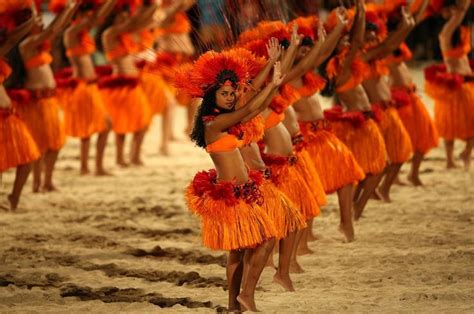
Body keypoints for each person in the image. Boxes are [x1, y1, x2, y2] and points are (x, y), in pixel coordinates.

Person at [179, 48, 284, 312]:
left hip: (243, 192)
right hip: (232, 197)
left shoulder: (223, 119)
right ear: (212, 97)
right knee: (267, 239)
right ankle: (246, 296)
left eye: (230, 93)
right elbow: (251, 107)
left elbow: (247, 98)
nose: (229, 97)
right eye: (223, 94)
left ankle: (234, 305)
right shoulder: (213, 124)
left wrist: (271, 68)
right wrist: (273, 84)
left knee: (238, 251)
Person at [284, 12, 365, 242]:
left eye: (306, 50)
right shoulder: (288, 75)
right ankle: (305, 235)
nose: (305, 54)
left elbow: (324, 53)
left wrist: (338, 29)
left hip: (323, 133)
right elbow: (318, 54)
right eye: (301, 49)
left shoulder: (307, 73)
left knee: (348, 174)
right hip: (305, 136)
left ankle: (345, 223)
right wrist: (323, 41)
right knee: (311, 185)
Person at [322, 0, 387, 220]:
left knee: (371, 168)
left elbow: (358, 41)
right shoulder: (340, 68)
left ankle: (354, 209)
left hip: (362, 120)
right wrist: (360, 12)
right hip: (356, 123)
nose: (349, 43)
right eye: (344, 41)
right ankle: (355, 210)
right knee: (377, 167)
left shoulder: (346, 64)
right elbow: (358, 40)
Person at [13, 2, 77, 192]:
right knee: (40, 144)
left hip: (50, 100)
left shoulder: (40, 45)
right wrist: (66, 10)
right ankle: (37, 183)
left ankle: (47, 180)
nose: (41, 22)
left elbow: (55, 31)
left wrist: (71, 9)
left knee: (55, 142)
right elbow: (51, 31)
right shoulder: (26, 45)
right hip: (36, 101)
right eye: (37, 20)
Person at [384, 0, 439, 186]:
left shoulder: (399, 39)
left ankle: (413, 173)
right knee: (400, 141)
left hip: (411, 94)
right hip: (397, 96)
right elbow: (411, 23)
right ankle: (394, 178)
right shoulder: (386, 43)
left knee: (426, 133)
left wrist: (424, 2)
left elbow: (415, 19)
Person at [61, 0, 116, 175]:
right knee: (104, 124)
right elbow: (93, 20)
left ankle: (87, 167)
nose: (90, 17)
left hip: (91, 87)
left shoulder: (83, 33)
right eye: (86, 13)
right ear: (78, 14)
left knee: (91, 127)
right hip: (82, 86)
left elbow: (98, 18)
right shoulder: (70, 33)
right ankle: (94, 167)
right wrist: (75, 5)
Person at [98, 1, 156, 166]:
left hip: (133, 83)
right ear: (113, 18)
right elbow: (133, 23)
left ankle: (134, 155)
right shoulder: (109, 34)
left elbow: (140, 23)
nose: (125, 20)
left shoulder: (126, 35)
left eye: (125, 16)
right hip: (120, 84)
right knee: (122, 124)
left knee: (143, 121)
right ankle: (120, 158)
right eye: (121, 17)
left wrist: (152, 6)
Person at [0, 1, 40, 210]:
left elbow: (13, 37)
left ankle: (13, 198)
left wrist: (31, 16)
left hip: (8, 114)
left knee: (29, 156)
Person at [425, 0, 473, 170]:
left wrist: (461, 8)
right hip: (453, 86)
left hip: (468, 84)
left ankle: (466, 152)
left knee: (470, 123)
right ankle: (449, 159)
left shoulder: (461, 32)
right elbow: (459, 16)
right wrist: (462, 6)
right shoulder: (445, 34)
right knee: (450, 124)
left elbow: (461, 17)